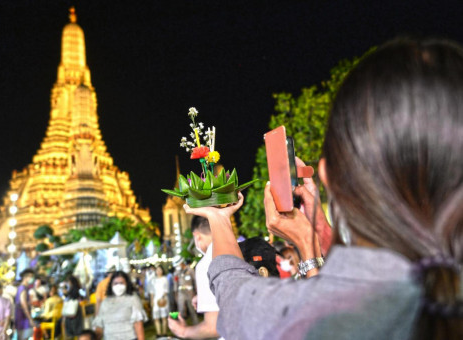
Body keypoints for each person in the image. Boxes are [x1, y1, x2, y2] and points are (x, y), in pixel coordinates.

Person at [184, 38, 463, 340]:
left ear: (329, 176)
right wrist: (317, 234)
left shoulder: (302, 317)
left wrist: (219, 218)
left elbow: (233, 290)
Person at [168, 216, 220, 339]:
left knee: (193, 314)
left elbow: (214, 327)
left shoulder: (206, 263)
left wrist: (182, 331)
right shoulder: (249, 247)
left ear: (197, 236)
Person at [93, 271, 147, 340]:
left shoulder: (132, 298)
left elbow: (138, 324)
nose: (118, 286)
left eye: (121, 283)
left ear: (127, 284)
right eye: (115, 283)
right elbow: (99, 326)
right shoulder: (105, 302)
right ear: (111, 285)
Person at [175, 259, 198, 325]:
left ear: (181, 263)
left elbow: (195, 281)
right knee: (181, 310)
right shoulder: (177, 272)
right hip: (181, 293)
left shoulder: (190, 270)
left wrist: (196, 293)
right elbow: (176, 283)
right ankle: (182, 326)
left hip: (190, 293)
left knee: (192, 310)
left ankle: (196, 325)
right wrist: (176, 294)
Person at [15, 268, 36, 340]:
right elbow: (23, 303)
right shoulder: (22, 288)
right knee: (23, 337)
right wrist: (30, 318)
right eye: (30, 276)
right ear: (25, 277)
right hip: (22, 316)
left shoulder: (24, 288)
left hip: (21, 315)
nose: (32, 278)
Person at [150, 265, 169, 337]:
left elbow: (166, 290)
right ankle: (158, 333)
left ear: (162, 271)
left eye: (160, 270)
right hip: (155, 299)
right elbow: (152, 291)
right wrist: (152, 300)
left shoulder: (165, 279)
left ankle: (164, 332)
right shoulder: (153, 280)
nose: (158, 271)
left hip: (163, 299)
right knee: (156, 317)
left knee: (164, 317)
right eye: (157, 270)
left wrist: (162, 297)